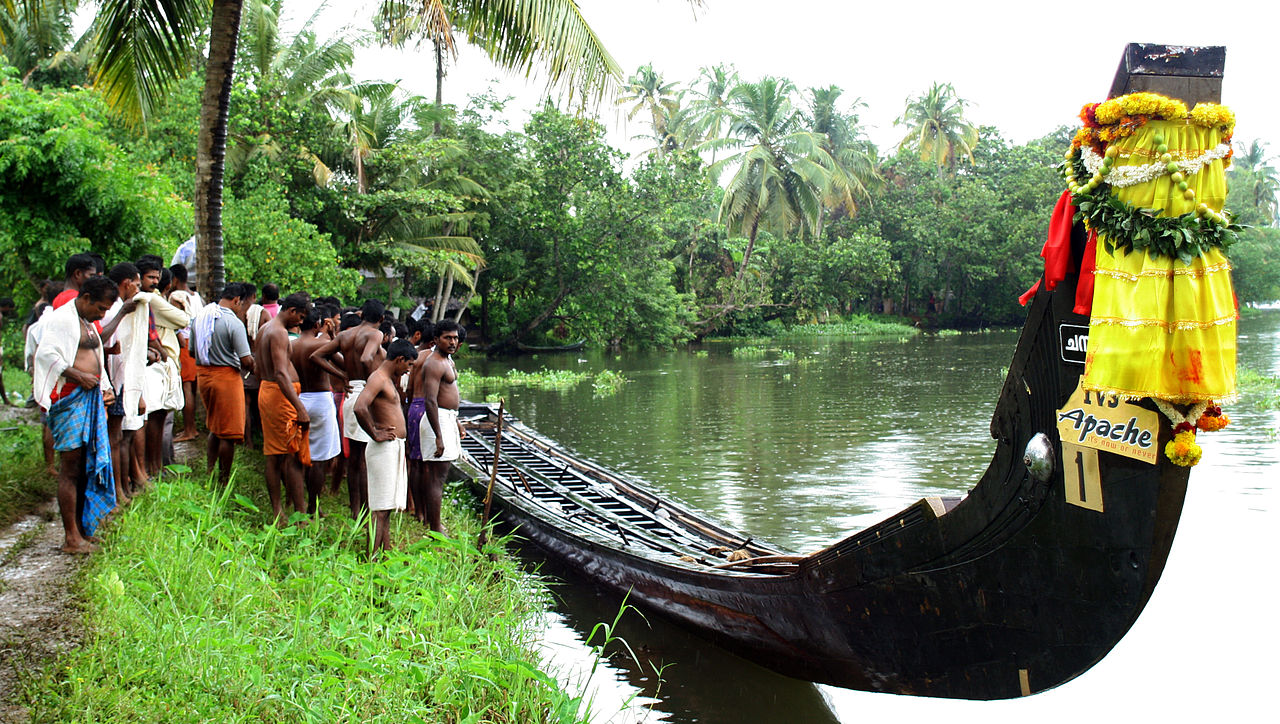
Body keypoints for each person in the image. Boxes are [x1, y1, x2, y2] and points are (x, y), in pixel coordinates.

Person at [33, 276, 119, 554]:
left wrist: (105, 387)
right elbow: (46, 354)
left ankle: (83, 529)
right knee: (70, 467)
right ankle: (71, 537)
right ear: (86, 299)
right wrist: (78, 375)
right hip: (68, 397)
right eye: (101, 309)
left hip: (91, 395)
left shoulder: (88, 321)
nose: (103, 315)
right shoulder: (61, 319)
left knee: (85, 465)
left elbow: (96, 357)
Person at [354, 339, 417, 553]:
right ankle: (372, 557)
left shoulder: (389, 379)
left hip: (394, 446)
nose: (408, 370)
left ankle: (384, 553)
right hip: (383, 447)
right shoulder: (378, 378)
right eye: (408, 365)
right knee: (379, 508)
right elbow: (360, 407)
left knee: (387, 507)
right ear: (399, 359)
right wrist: (374, 432)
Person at [255, 292, 313, 521]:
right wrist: (299, 407)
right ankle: (290, 511)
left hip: (273, 392)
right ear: (291, 311)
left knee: (280, 453)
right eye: (300, 316)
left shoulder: (265, 329)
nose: (301, 321)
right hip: (279, 396)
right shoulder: (277, 332)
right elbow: (280, 372)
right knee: (288, 455)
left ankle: (289, 506)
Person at [192, 283, 255, 485]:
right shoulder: (232, 322)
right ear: (237, 300)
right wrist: (258, 369)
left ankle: (210, 470)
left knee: (215, 426)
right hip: (225, 378)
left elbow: (193, 351)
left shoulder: (200, 318)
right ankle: (223, 479)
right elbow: (246, 360)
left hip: (204, 376)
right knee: (228, 433)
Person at [136, 256, 190, 478]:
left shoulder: (153, 298)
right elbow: (183, 320)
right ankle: (152, 468)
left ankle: (156, 467)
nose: (154, 282)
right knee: (154, 418)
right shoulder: (149, 299)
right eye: (150, 277)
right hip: (155, 364)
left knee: (159, 417)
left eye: (156, 277)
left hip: (163, 364)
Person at [292, 304, 346, 515]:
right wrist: (333, 338)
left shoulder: (293, 345)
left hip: (301, 397)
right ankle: (314, 505)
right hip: (321, 399)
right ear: (317, 324)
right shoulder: (321, 343)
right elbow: (342, 363)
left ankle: (299, 501)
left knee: (303, 453)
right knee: (320, 459)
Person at [100, 263, 147, 502]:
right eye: (137, 284)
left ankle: (121, 488)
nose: (138, 289)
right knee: (115, 438)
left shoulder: (121, 307)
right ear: (127, 283)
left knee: (120, 437)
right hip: (113, 382)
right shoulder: (113, 310)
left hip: (120, 382)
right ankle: (116, 491)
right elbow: (104, 342)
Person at [336, 300, 386, 518]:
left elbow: (318, 355)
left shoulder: (345, 335)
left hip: (350, 393)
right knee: (365, 458)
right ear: (381, 320)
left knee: (355, 458)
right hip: (364, 392)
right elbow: (366, 358)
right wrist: (374, 382)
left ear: (362, 314)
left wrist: (343, 374)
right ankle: (366, 510)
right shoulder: (375, 334)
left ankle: (355, 508)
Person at [419, 320, 464, 535]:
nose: (453, 342)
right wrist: (439, 436)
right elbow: (430, 400)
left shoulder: (447, 360)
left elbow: (448, 396)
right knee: (437, 477)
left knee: (439, 476)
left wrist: (456, 422)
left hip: (447, 418)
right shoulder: (434, 363)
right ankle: (435, 527)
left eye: (455, 338)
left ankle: (434, 522)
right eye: (448, 338)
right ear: (436, 340)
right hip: (437, 421)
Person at [167, 264, 201, 442]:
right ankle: (191, 427)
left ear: (174, 280)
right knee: (192, 387)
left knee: (186, 386)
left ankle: (189, 429)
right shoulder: (196, 296)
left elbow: (175, 323)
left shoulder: (176, 296)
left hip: (184, 343)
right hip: (197, 343)